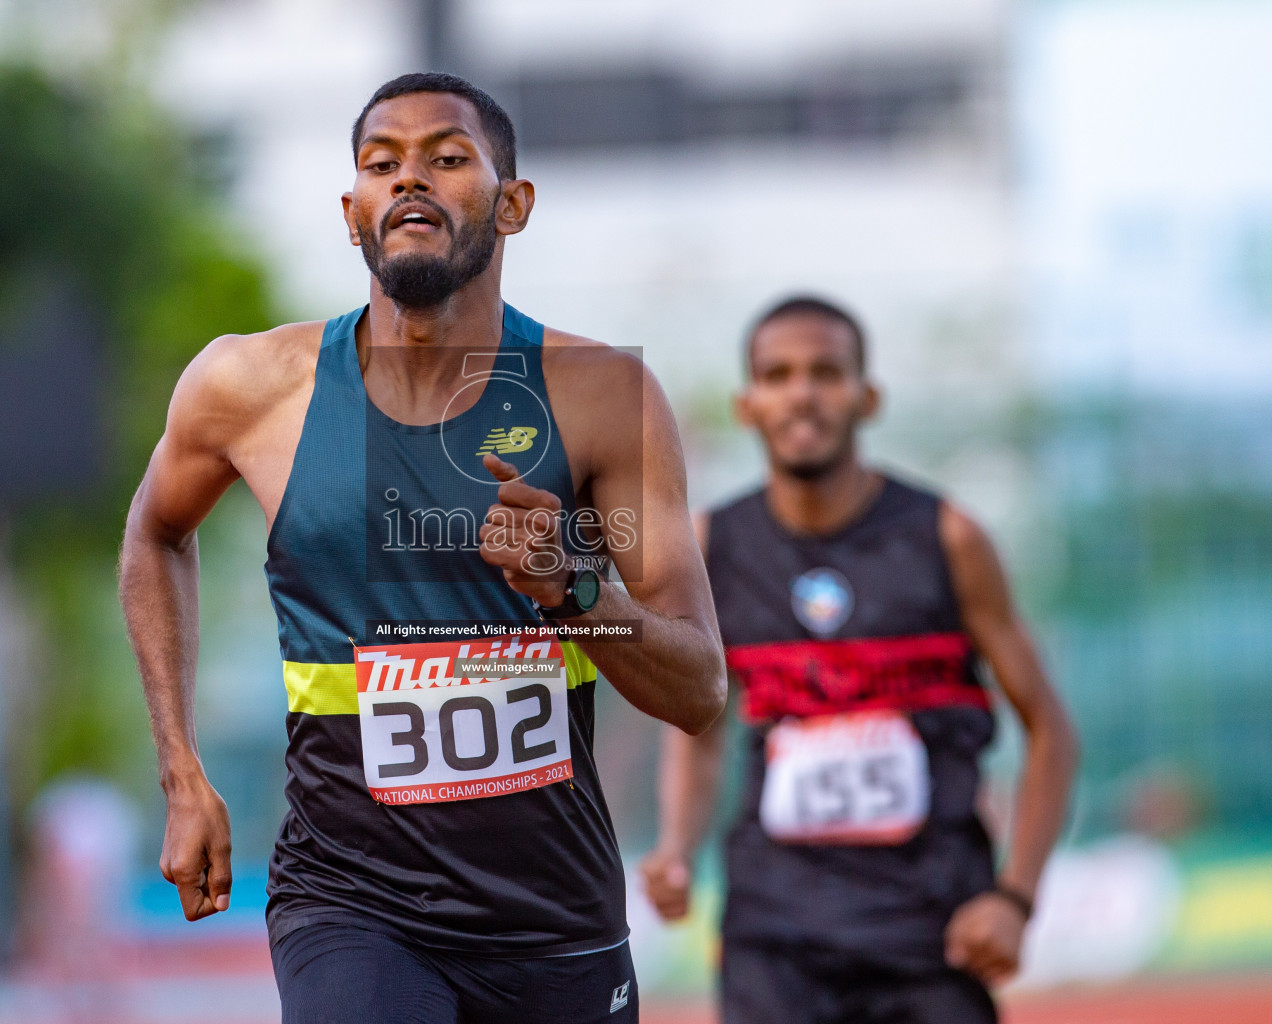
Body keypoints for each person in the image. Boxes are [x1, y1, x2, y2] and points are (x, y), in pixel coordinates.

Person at [119, 72, 726, 1024]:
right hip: (350, 902)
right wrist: (181, 770)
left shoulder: (601, 396)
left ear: (513, 204)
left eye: (447, 159)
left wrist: (575, 589)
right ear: (352, 210)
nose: (411, 181)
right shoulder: (251, 388)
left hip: (554, 919)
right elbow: (156, 531)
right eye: (382, 164)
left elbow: (697, 688)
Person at [639, 296, 1078, 1023]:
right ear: (747, 405)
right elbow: (700, 726)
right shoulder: (712, 547)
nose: (802, 392)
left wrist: (1016, 896)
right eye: (777, 375)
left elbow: (1051, 731)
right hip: (773, 939)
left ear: (866, 396)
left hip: (931, 933)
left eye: (826, 372)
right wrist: (678, 845)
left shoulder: (948, 539)